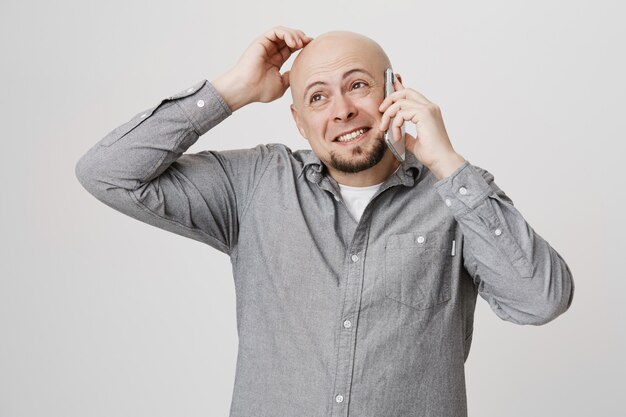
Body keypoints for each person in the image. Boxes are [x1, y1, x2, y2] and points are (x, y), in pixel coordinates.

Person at [75, 26, 574, 417]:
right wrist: (233, 89)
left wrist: (447, 162)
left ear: (394, 89)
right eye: (317, 96)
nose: (342, 110)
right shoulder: (255, 184)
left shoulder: (458, 194)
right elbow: (108, 173)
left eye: (357, 85)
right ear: (298, 119)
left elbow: (541, 300)